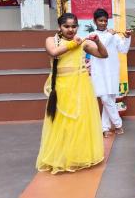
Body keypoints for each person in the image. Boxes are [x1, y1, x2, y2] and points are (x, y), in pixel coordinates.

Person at [36, 13, 108, 174]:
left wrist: (97, 41)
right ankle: (61, 157)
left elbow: (104, 55)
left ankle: (79, 157)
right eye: (66, 26)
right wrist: (72, 45)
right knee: (62, 123)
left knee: (81, 123)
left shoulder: (82, 42)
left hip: (81, 87)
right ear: (59, 27)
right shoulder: (51, 40)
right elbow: (54, 52)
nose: (70, 29)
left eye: (74, 26)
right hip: (61, 87)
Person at [89, 8, 132, 137]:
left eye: (105, 21)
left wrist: (128, 37)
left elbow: (124, 50)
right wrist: (110, 35)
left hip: (112, 71)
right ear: (94, 21)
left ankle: (105, 128)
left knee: (110, 100)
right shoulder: (92, 36)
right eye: (100, 20)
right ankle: (118, 124)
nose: (103, 23)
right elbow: (100, 46)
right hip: (99, 72)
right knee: (105, 99)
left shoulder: (114, 35)